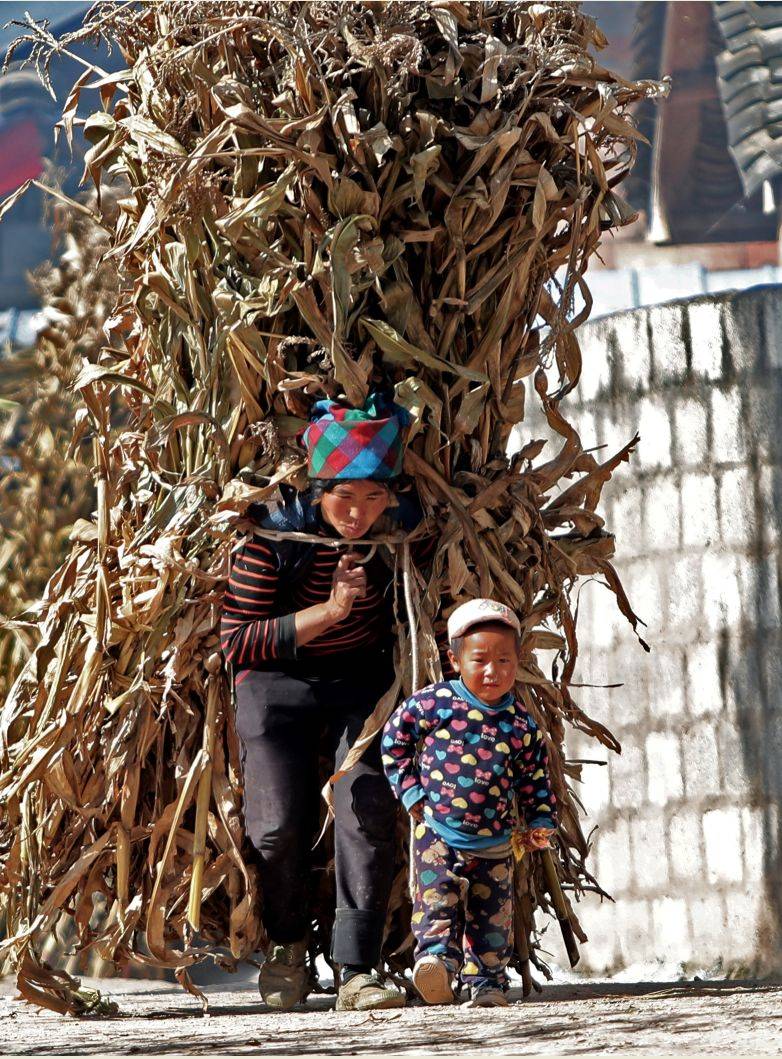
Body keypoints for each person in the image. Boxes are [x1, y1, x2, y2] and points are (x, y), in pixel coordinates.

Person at [220, 393, 427, 1012]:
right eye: (344, 497)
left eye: (372, 497)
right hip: (272, 681)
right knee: (278, 827)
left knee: (364, 807)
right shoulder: (271, 542)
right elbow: (236, 644)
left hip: (356, 683)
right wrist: (329, 612)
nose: (358, 512)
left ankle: (356, 968)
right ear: (317, 491)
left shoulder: (398, 540)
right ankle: (286, 947)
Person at [382, 598, 558, 1008]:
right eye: (480, 660)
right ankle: (437, 967)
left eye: (505, 661)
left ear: (518, 661)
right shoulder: (433, 704)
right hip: (437, 832)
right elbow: (393, 742)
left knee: (493, 917)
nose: (493, 671)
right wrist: (411, 792)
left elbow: (534, 777)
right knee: (436, 904)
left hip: (496, 840)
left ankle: (488, 983)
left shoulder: (520, 724)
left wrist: (540, 819)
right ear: (454, 659)